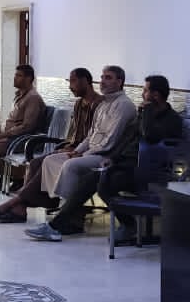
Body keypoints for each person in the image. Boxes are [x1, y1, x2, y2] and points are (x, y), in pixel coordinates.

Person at [23, 65, 136, 242]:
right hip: (92, 152)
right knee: (52, 160)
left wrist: (83, 155)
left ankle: (69, 219)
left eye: (108, 78)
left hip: (106, 156)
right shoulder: (103, 104)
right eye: (102, 77)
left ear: (119, 81)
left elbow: (110, 139)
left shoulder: (124, 105)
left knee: (71, 165)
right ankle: (62, 209)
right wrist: (77, 151)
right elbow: (91, 135)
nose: (103, 81)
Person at [0, 68, 100, 223]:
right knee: (35, 163)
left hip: (86, 152)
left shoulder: (99, 105)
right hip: (73, 148)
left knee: (44, 162)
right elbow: (75, 135)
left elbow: (94, 137)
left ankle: (15, 206)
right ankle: (21, 207)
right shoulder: (78, 104)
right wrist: (67, 146)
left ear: (85, 81)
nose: (70, 86)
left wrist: (75, 149)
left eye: (73, 81)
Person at [95, 74, 186, 244]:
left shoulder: (172, 120)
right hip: (131, 165)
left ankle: (129, 225)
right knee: (95, 178)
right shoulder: (145, 114)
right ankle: (66, 220)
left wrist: (147, 111)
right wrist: (113, 158)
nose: (142, 94)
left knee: (105, 183)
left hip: (152, 173)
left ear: (155, 95)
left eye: (145, 90)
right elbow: (129, 138)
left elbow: (150, 137)